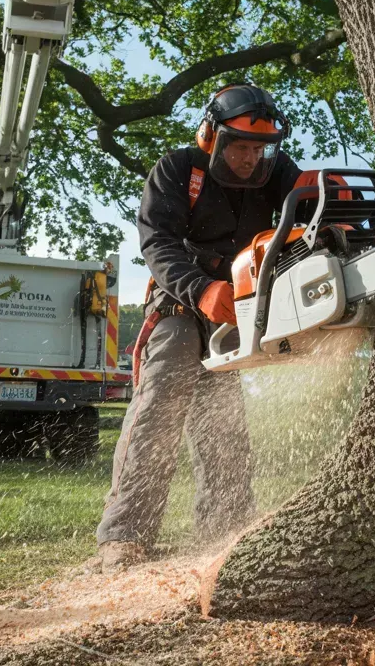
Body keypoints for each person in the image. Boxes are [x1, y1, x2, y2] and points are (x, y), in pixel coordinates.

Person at [96, 83, 310, 571]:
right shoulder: (178, 169)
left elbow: (307, 204)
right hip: (178, 304)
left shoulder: (274, 172)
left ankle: (227, 531)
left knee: (225, 427)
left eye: (259, 148)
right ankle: (124, 536)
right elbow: (158, 243)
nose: (249, 158)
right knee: (159, 413)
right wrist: (199, 288)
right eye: (241, 146)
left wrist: (328, 205)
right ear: (212, 135)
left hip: (235, 308)